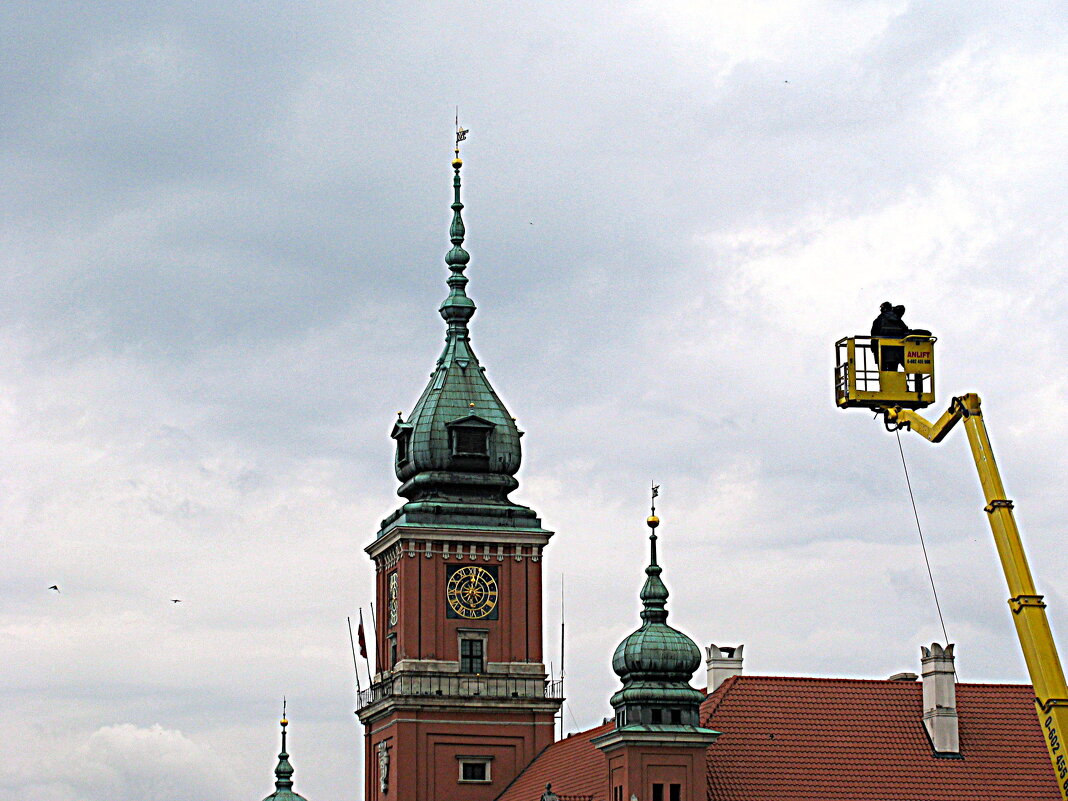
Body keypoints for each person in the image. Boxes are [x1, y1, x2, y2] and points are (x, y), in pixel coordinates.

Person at [871, 301, 907, 370]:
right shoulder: (898, 320)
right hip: (896, 354)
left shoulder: (879, 320)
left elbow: (874, 336)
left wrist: (874, 349)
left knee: (883, 375)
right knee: (893, 372)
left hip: (881, 352)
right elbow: (905, 331)